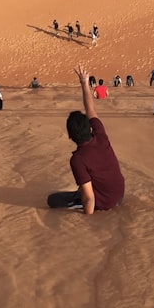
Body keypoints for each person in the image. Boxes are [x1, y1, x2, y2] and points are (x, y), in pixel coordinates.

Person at [47, 66, 125, 213]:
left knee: (52, 200)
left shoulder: (77, 159)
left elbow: (89, 199)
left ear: (70, 136)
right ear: (90, 128)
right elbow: (90, 108)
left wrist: (88, 225)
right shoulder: (100, 134)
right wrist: (84, 82)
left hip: (105, 203)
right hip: (120, 195)